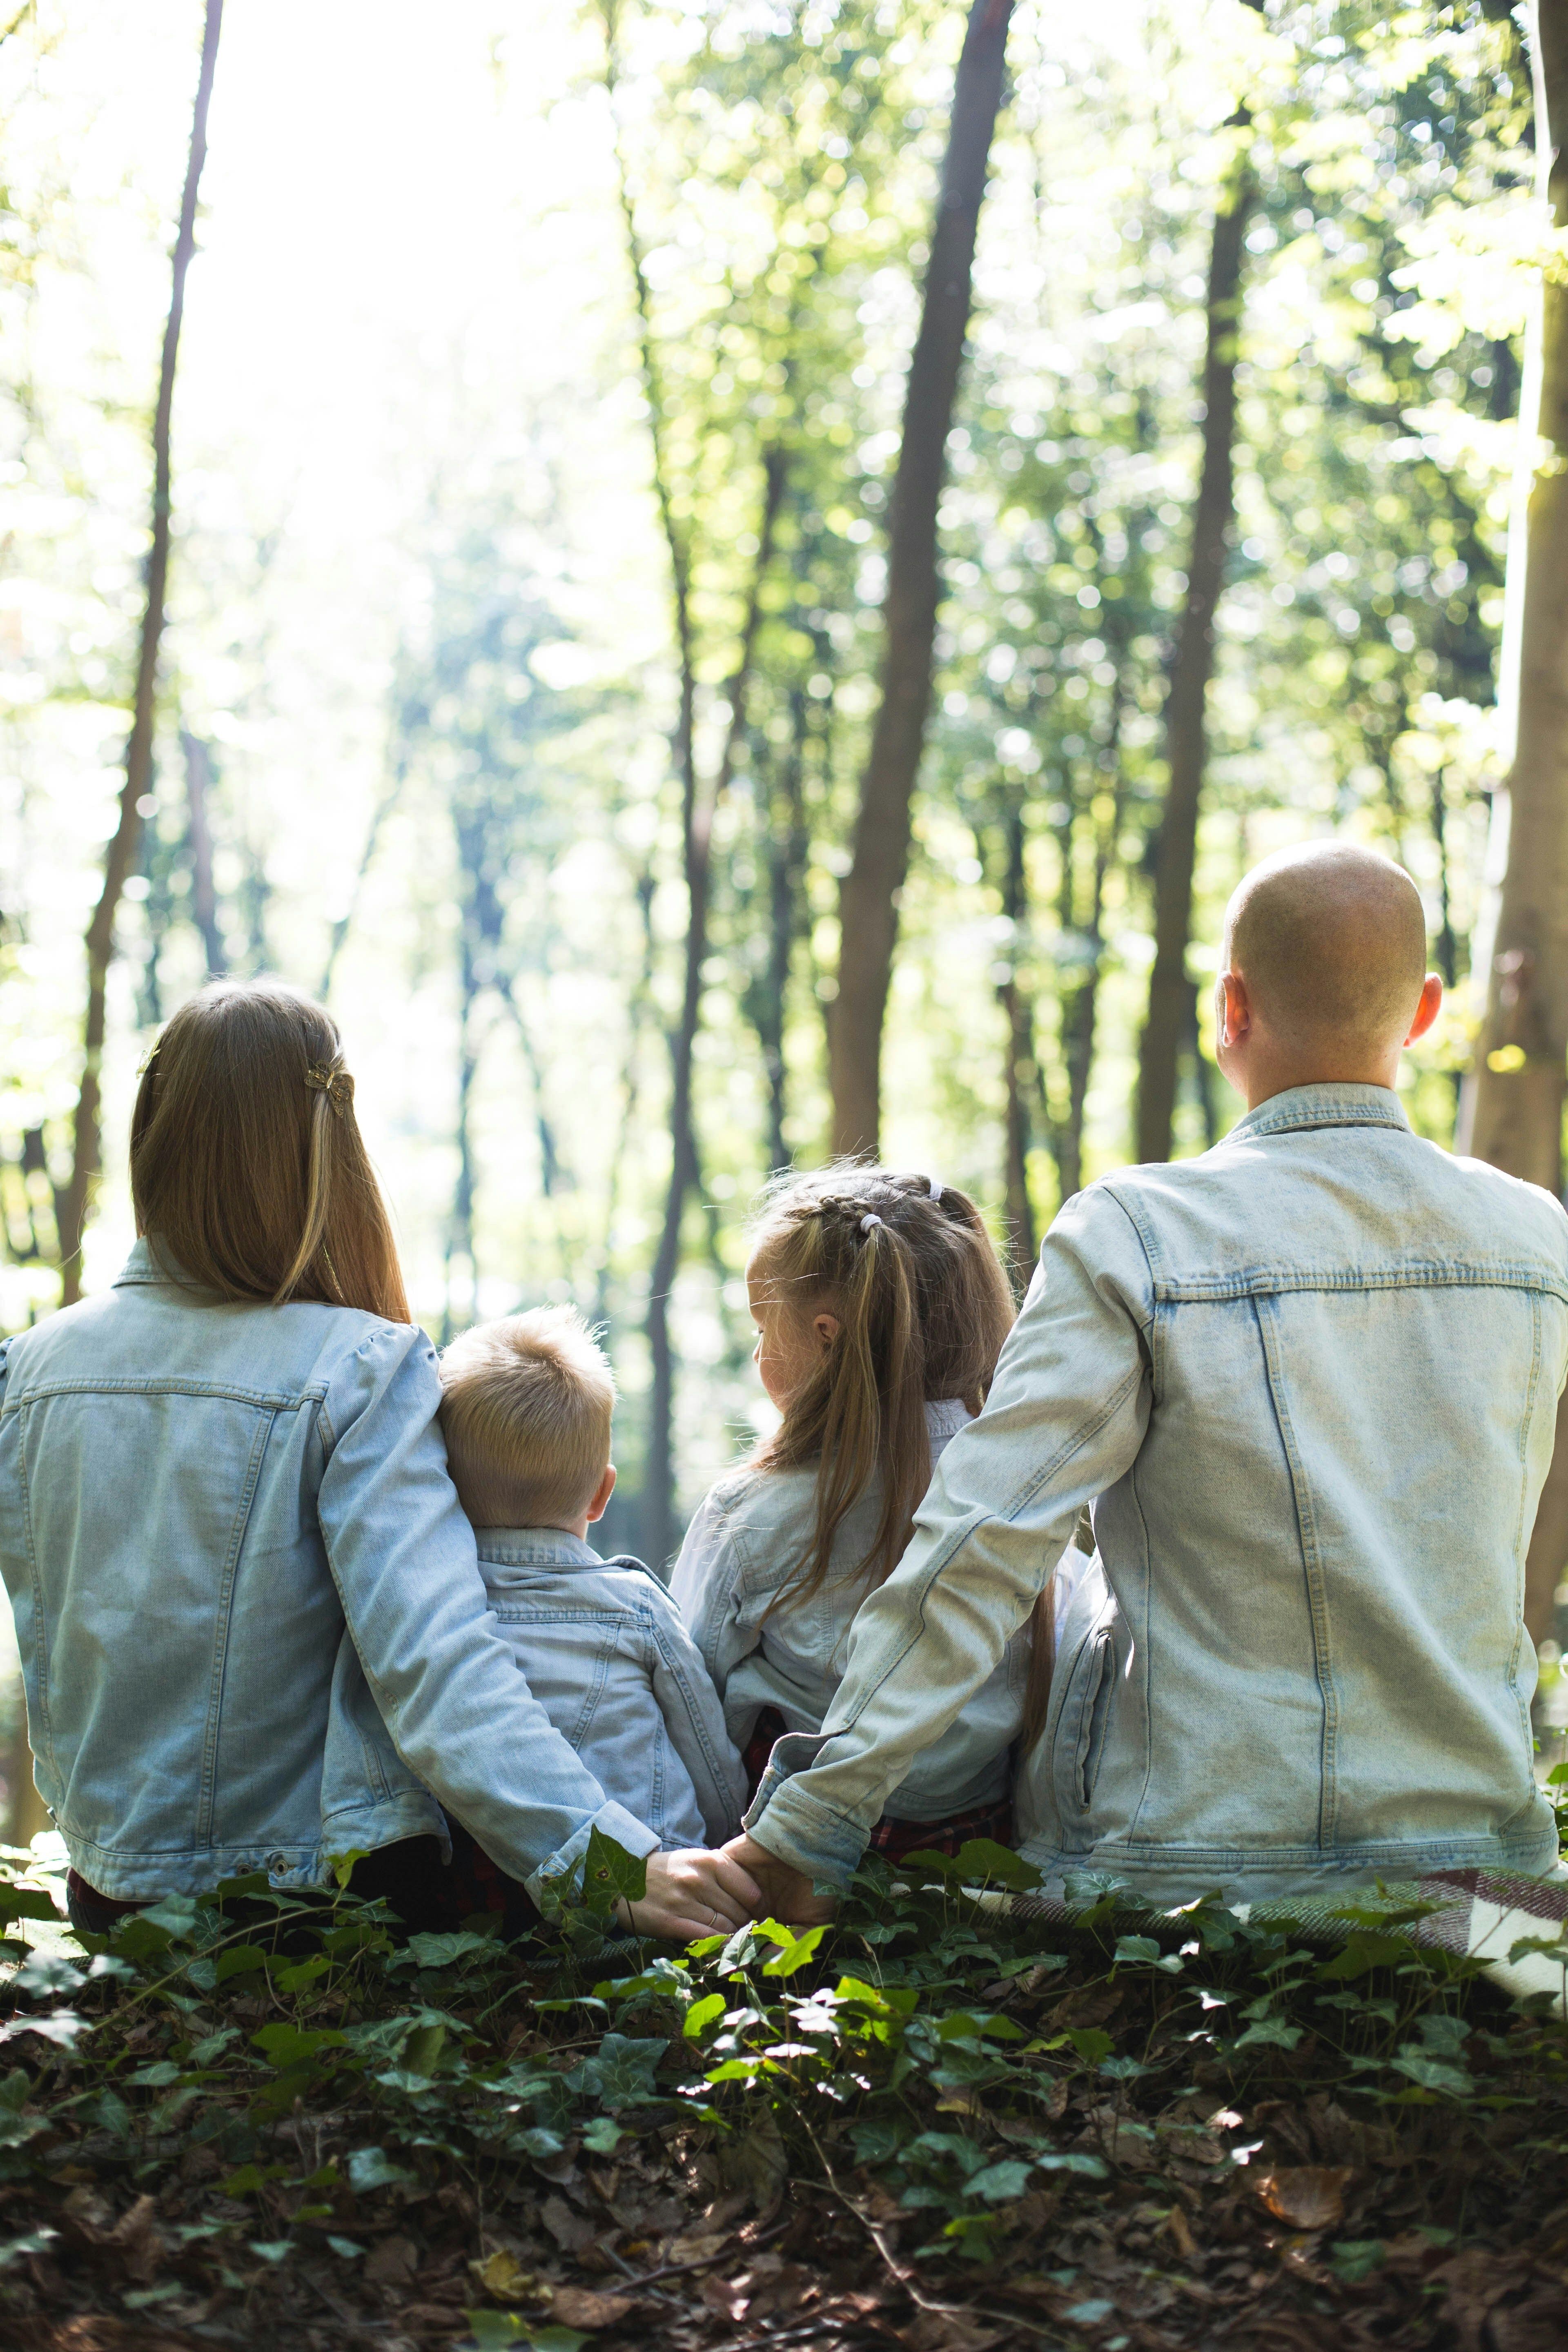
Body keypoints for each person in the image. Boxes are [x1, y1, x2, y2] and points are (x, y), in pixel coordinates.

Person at [727, 842, 1568, 1919]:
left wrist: (811, 1825)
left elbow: (982, 1542)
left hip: (1189, 1871)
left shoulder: (1139, 1233)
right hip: (1485, 1878)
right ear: (1426, 1014)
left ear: (1231, 1007)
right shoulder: (1535, 1239)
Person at [0, 980, 758, 1943]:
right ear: (327, 1150)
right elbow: (436, 1663)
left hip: (110, 1901)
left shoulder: (26, 1369)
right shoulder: (359, 1367)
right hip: (310, 1910)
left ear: (153, 1130)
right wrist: (608, 1863)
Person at [672, 1167, 1086, 1859]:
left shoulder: (749, 1514)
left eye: (763, 1327)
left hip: (782, 1856)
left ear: (826, 1337)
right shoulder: (1030, 1502)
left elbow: (691, 1699)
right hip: (975, 1856)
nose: (755, 1352)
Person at [437, 1307, 745, 1850]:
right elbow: (708, 1759)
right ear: (603, 1495)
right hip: (655, 1878)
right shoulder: (636, 1609)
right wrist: (727, 1841)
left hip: (490, 1890)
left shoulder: (429, 1611)